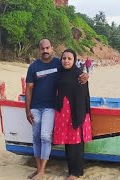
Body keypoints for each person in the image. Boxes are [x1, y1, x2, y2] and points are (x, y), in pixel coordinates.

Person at [25, 39, 88, 180]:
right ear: (39, 49)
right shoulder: (33, 67)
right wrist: (27, 109)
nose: (45, 50)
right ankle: (38, 169)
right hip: (35, 107)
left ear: (52, 48)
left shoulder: (58, 64)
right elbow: (28, 88)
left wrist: (86, 75)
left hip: (51, 107)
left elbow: (73, 70)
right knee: (36, 138)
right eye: (43, 48)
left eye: (48, 48)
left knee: (45, 136)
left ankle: (42, 171)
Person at [53, 49, 92, 180]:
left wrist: (81, 115)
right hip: (63, 114)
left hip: (76, 114)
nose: (66, 61)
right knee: (68, 143)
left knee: (76, 143)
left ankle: (75, 173)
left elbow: (84, 95)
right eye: (64, 58)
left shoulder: (80, 75)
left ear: (74, 60)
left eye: (69, 59)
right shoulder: (59, 73)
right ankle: (72, 171)